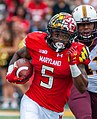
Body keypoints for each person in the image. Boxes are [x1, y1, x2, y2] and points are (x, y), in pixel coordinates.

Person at [6, 12, 90, 119]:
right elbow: (19, 53)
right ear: (50, 32)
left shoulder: (76, 51)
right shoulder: (37, 41)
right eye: (57, 34)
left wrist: (73, 64)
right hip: (32, 101)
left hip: (55, 111)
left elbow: (82, 88)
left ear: (71, 37)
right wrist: (10, 71)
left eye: (64, 35)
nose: (59, 39)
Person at [68, 5, 97, 119]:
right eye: (81, 24)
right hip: (78, 87)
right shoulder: (68, 43)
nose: (86, 27)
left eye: (89, 24)